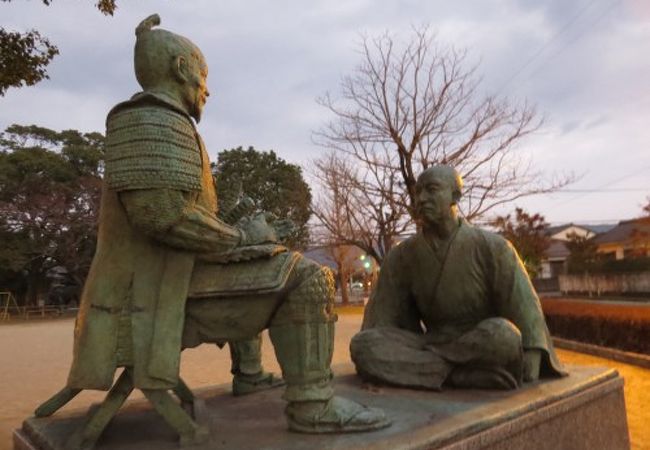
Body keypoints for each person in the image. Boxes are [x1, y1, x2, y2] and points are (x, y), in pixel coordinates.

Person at [46, 14, 388, 445]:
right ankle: (313, 406)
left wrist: (246, 235)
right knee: (308, 278)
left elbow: (177, 215)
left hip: (165, 276)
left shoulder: (162, 120)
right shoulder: (152, 119)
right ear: (181, 68)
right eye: (203, 75)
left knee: (269, 260)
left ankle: (249, 374)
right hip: (155, 289)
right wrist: (243, 239)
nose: (207, 87)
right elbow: (162, 218)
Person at [350, 165, 566, 391]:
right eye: (418, 193)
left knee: (505, 335)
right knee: (364, 345)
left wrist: (532, 353)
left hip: (479, 341)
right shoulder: (402, 256)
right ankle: (461, 375)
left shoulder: (493, 246)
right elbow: (383, 318)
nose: (421, 199)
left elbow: (524, 307)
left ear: (456, 196)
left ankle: (431, 372)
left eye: (431, 190)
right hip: (431, 343)